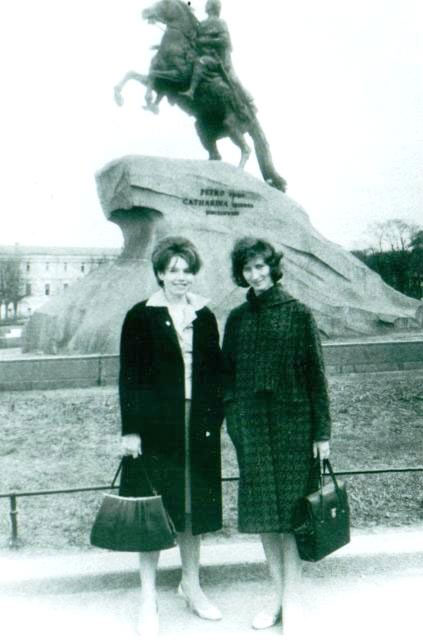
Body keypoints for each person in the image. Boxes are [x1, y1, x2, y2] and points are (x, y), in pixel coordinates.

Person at [222, 237, 331, 634]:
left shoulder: (298, 313)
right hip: (252, 429)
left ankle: (293, 599)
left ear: (272, 267)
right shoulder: (237, 319)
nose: (255, 274)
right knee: (266, 518)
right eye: (247, 268)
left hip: (294, 428)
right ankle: (277, 596)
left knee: (291, 516)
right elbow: (227, 377)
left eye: (260, 266)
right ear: (241, 273)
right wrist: (235, 419)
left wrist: (322, 433)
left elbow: (316, 376)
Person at [119, 236, 223, 638]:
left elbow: (214, 372)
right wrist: (131, 430)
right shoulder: (140, 315)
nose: (181, 277)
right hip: (156, 427)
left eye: (187, 270)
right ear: (160, 273)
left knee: (192, 509)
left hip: (197, 425)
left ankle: (191, 585)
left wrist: (214, 416)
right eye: (173, 270)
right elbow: (129, 376)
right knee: (153, 509)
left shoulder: (204, 315)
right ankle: (148, 598)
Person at [180, 0, 255, 116]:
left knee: (232, 79)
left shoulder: (220, 23)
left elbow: (225, 40)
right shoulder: (202, 24)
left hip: (216, 59)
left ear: (212, 7)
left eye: (208, 4)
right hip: (203, 55)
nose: (206, 6)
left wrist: (204, 41)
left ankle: (248, 101)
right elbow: (195, 39)